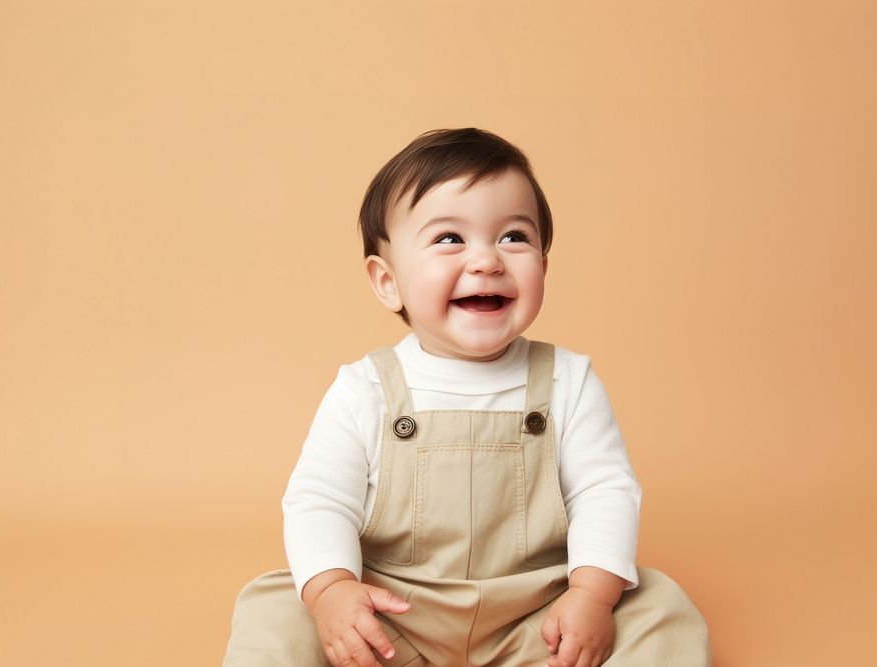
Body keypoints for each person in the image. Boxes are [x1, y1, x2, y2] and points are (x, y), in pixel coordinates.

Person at [224, 128, 711, 667]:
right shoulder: (364, 389)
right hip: (393, 619)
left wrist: (591, 595)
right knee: (274, 606)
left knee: (660, 604)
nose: (487, 261)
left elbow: (604, 491)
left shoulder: (567, 381)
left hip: (538, 619)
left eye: (513, 237)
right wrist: (332, 591)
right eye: (450, 239)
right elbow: (320, 499)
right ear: (388, 282)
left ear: (543, 268)